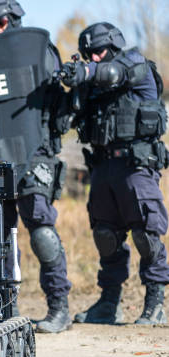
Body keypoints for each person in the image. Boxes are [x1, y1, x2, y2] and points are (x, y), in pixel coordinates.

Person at [0, 0, 73, 333]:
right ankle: (4, 309)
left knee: (42, 233)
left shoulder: (39, 50)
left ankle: (59, 308)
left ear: (13, 20)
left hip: (34, 152)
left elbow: (56, 96)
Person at [60, 22, 169, 324]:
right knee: (105, 235)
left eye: (98, 52)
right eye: (88, 55)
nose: (93, 59)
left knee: (146, 234)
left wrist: (86, 72)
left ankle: (155, 302)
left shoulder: (134, 64)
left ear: (114, 45)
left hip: (136, 164)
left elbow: (112, 73)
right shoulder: (95, 85)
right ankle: (109, 303)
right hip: (103, 165)